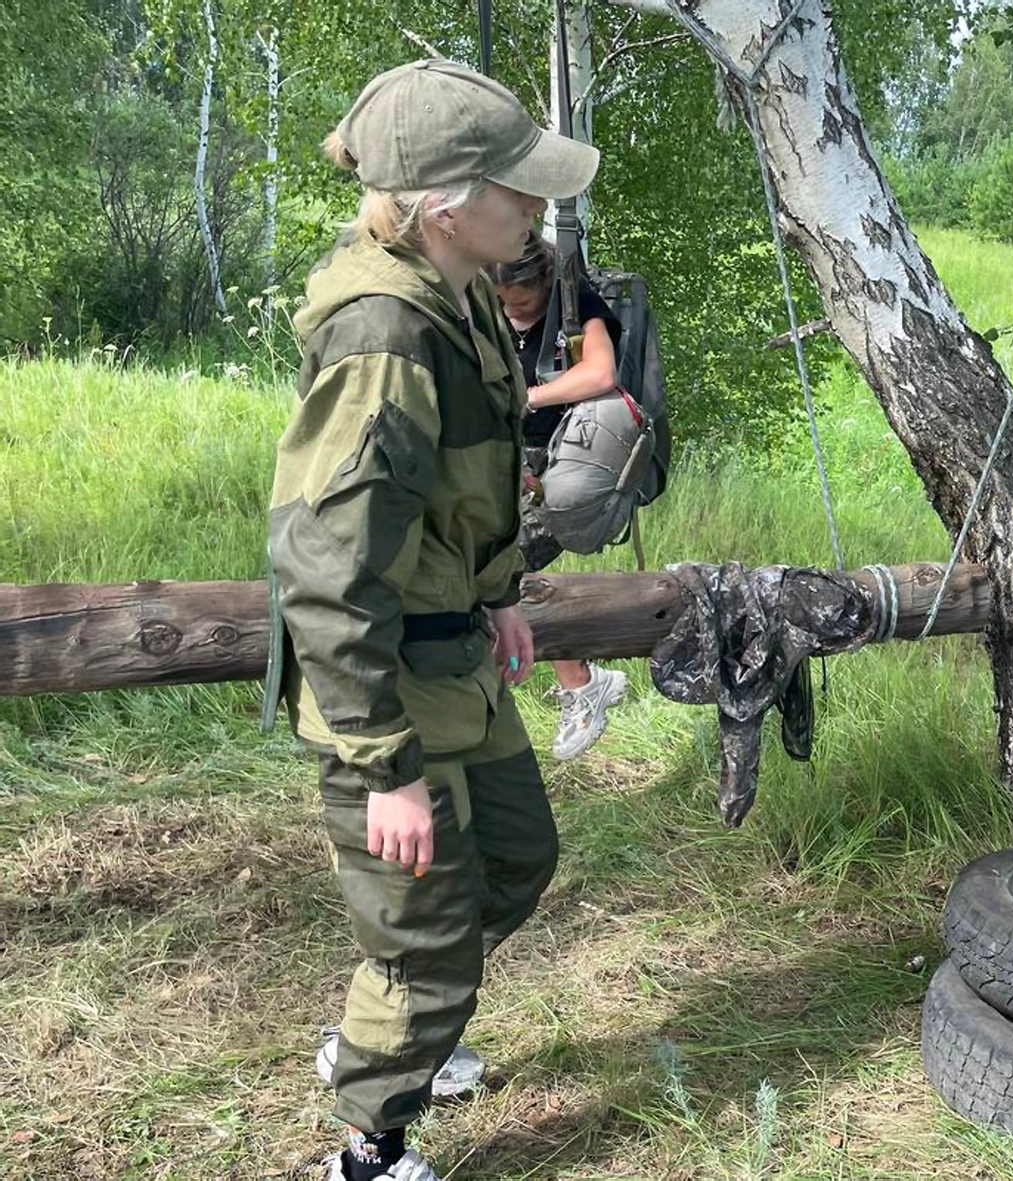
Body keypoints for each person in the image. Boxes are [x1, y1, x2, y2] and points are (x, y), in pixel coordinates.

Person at [265, 59, 599, 1181]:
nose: (537, 207)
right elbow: (324, 563)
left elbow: (466, 481)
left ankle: (393, 1023)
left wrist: (498, 589)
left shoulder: (458, 290)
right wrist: (385, 767)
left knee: (514, 858)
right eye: (520, 190)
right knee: (427, 930)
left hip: (451, 648)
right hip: (386, 685)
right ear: (450, 202)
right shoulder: (383, 336)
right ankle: (370, 1141)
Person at [489, 231, 631, 761]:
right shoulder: (486, 308)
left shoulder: (577, 309)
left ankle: (579, 684)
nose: (511, 309)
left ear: (546, 283)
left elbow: (600, 373)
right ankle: (579, 681)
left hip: (559, 461)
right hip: (501, 464)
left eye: (520, 301)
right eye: (502, 301)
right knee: (497, 573)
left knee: (502, 571)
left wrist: (526, 399)